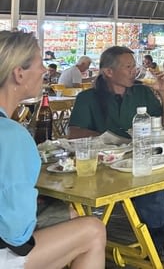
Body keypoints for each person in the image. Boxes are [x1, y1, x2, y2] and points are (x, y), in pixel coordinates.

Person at [67, 45, 164, 268]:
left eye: (135, 65)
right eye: (128, 66)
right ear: (108, 72)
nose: (134, 70)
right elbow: (74, 133)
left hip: (138, 163)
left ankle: (161, 251)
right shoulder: (88, 98)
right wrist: (112, 139)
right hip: (104, 171)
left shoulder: (141, 92)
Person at [0, 30, 106, 269]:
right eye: (39, 64)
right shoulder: (11, 135)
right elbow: (16, 232)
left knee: (66, 215)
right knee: (93, 230)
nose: (44, 71)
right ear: (19, 74)